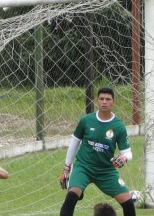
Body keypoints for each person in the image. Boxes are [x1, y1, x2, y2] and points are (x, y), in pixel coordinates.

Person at [59, 87, 135, 216]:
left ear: (113, 102)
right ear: (96, 101)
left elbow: (128, 152)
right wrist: (66, 169)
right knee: (71, 197)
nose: (104, 102)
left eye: (108, 99)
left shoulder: (119, 126)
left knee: (128, 203)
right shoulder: (86, 120)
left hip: (106, 170)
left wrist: (123, 158)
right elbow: (74, 143)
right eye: (101, 99)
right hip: (84, 167)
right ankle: (78, 189)